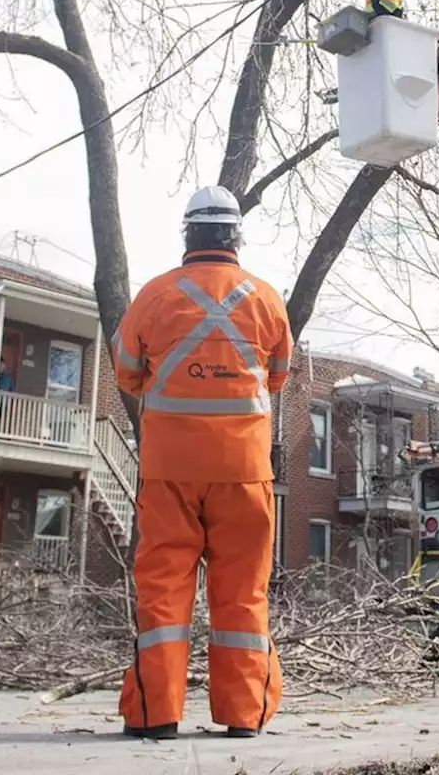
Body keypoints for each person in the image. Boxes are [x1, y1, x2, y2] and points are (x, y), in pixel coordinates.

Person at [110, 185, 292, 740]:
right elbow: (278, 377)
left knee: (163, 589)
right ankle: (244, 716)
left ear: (188, 234)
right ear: (236, 235)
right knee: (243, 591)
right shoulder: (266, 298)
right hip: (245, 471)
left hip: (170, 471)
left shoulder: (153, 296)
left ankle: (155, 715)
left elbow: (126, 372)